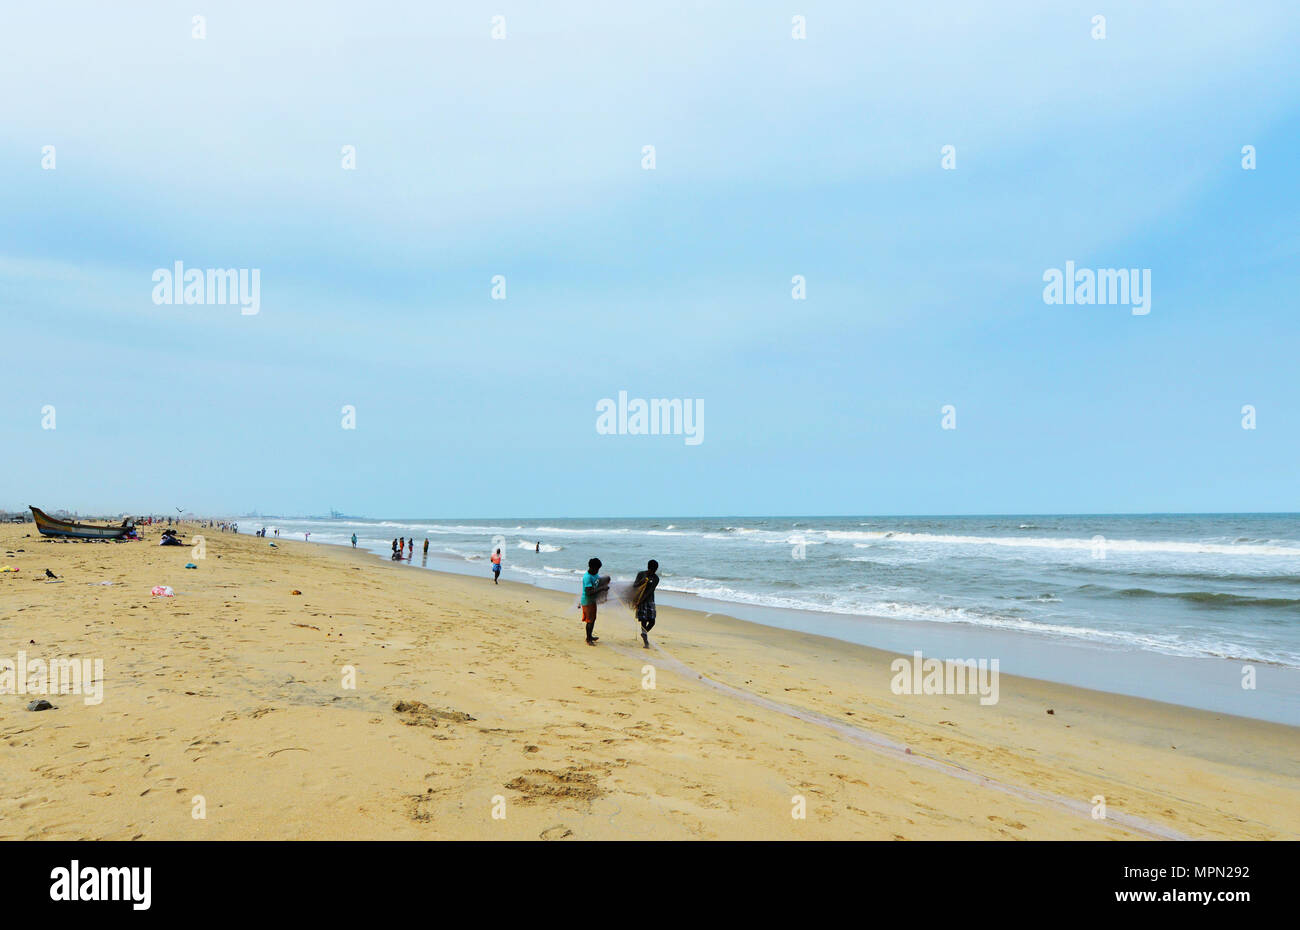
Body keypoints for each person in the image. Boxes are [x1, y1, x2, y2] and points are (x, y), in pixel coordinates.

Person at [632, 559, 660, 648]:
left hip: (649, 601)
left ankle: (644, 633)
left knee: (652, 621)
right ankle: (646, 642)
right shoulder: (641, 574)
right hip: (640, 600)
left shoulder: (656, 578)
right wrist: (642, 581)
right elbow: (634, 585)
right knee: (643, 621)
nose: (654, 572)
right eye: (652, 570)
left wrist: (641, 601)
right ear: (648, 568)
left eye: (655, 570)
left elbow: (650, 591)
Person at [580, 558, 603, 644]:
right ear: (592, 567)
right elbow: (589, 592)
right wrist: (601, 588)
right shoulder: (587, 577)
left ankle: (590, 636)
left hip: (592, 601)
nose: (598, 571)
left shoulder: (595, 575)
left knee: (593, 619)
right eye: (597, 569)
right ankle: (588, 639)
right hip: (587, 601)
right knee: (589, 621)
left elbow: (599, 583)